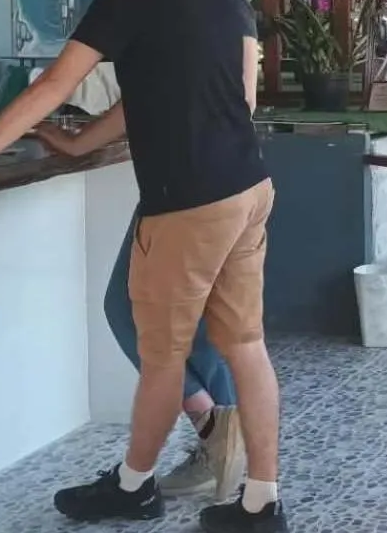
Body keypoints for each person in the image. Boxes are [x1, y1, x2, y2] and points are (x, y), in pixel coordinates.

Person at [0, 0, 288, 533]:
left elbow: (55, 84)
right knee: (245, 345)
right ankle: (262, 502)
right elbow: (202, 95)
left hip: (187, 201)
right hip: (248, 187)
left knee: (162, 355)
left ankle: (133, 487)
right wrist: (82, 143)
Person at [35, 102, 248, 503]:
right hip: (233, 177)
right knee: (201, 324)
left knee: (127, 308)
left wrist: (70, 140)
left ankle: (215, 431)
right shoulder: (233, 35)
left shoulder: (163, 39)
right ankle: (219, 449)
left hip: (180, 189)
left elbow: (133, 94)